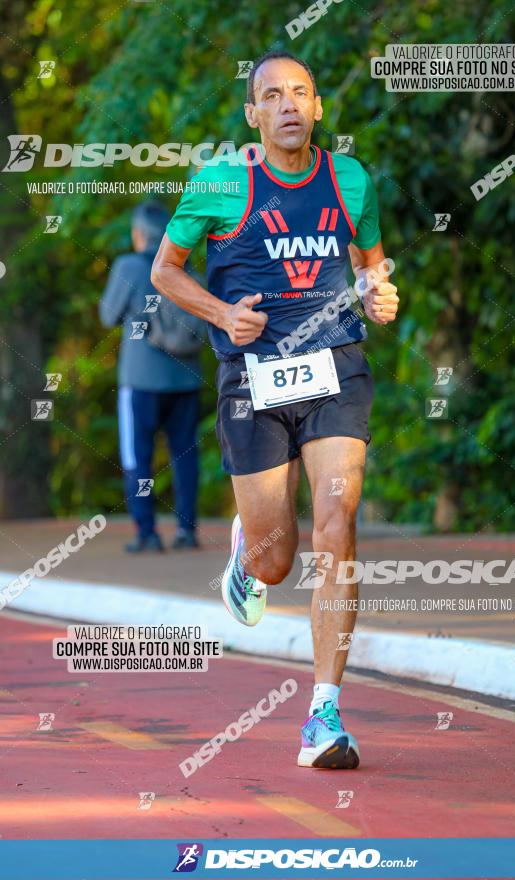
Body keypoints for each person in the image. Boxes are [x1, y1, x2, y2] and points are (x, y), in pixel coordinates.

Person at [151, 52, 399, 768]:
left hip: (335, 371)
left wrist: (380, 294)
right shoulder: (221, 182)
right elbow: (166, 269)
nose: (288, 104)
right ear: (252, 114)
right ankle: (246, 553)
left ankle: (323, 714)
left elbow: (369, 264)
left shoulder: (350, 179)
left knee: (337, 520)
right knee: (275, 562)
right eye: (271, 95)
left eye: (300, 92)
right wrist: (223, 313)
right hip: (252, 380)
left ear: (317, 107)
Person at [100, 200, 204, 553]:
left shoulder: (129, 266)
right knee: (185, 456)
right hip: (186, 381)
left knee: (137, 457)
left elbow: (107, 316)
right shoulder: (189, 272)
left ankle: (146, 533)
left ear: (138, 234)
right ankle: (187, 531)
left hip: (140, 380)